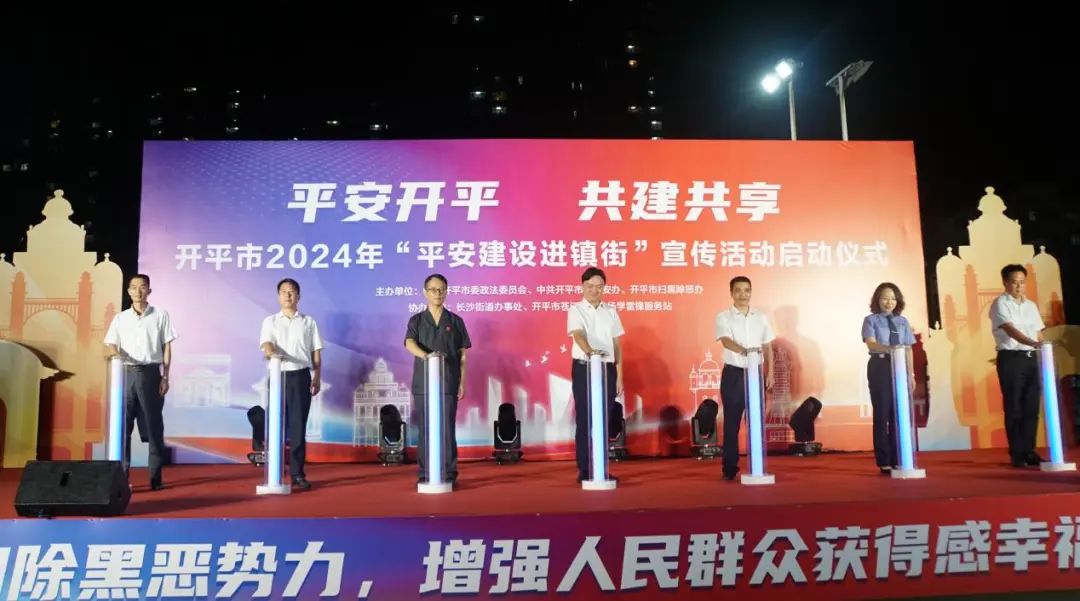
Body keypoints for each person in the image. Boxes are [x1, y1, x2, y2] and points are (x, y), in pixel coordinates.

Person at [103, 274, 177, 491]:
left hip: (151, 373)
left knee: (154, 427)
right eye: (134, 287)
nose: (138, 291)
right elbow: (110, 344)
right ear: (128, 291)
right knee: (123, 428)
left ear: (149, 291)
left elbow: (167, 347)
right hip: (125, 374)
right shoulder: (120, 318)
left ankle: (155, 478)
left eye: (142, 287)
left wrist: (165, 376)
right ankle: (121, 478)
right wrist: (115, 355)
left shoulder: (160, 315)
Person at [405, 274, 471, 485]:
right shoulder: (416, 320)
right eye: (433, 289)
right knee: (425, 428)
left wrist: (461, 382)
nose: (437, 293)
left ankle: (449, 473)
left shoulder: (456, 321)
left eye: (441, 289)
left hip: (448, 381)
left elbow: (462, 354)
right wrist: (427, 356)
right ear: (425, 292)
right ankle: (425, 473)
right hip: (423, 383)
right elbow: (409, 343)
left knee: (447, 429)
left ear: (446, 292)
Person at [259, 278, 323, 490]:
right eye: (284, 291)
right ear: (278, 296)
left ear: (298, 296)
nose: (288, 295)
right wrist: (272, 354)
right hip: (278, 376)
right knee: (276, 425)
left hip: (300, 376)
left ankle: (297, 474)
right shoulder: (270, 321)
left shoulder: (308, 321)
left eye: (292, 291)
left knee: (298, 427)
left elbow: (316, 350)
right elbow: (266, 343)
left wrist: (317, 376)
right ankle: (274, 472)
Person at [567, 266, 624, 482]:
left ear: (604, 288)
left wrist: (619, 375)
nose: (594, 290)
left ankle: (601, 467)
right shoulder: (576, 310)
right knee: (585, 419)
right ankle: (585, 469)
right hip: (585, 367)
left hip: (607, 369)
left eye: (599, 286)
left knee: (604, 419)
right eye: (590, 286)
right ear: (583, 286)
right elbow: (578, 335)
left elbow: (616, 344)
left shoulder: (611, 311)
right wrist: (592, 353)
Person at [714, 276, 775, 481]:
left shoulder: (760, 317)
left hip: (756, 374)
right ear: (731, 293)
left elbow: (767, 345)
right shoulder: (724, 317)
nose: (743, 294)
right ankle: (730, 467)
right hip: (734, 374)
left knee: (756, 421)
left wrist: (770, 372)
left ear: (751, 292)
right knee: (732, 423)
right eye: (738, 290)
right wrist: (746, 351)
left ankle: (756, 465)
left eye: (747, 290)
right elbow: (725, 340)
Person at [989, 264, 1046, 468]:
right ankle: (1017, 453)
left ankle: (1029, 451)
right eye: (1014, 282)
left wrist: (1043, 349)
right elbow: (1010, 330)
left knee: (1031, 406)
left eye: (1022, 282)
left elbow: (1039, 333)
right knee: (1014, 406)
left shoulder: (1031, 306)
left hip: (1032, 359)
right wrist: (1032, 342)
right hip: (1012, 358)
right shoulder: (1000, 304)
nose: (1019, 286)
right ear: (1005, 282)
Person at [860, 282, 917, 474]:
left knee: (898, 414)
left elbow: (908, 349)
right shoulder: (871, 320)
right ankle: (884, 460)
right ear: (877, 300)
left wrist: (911, 374)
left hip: (900, 366)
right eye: (885, 298)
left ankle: (898, 458)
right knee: (882, 414)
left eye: (893, 298)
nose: (889, 302)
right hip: (881, 365)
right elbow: (871, 344)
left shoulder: (903, 322)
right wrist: (892, 350)